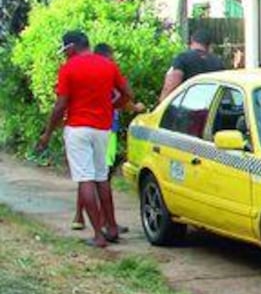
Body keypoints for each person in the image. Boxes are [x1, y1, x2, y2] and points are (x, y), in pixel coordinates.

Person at [37, 31, 140, 248]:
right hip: (102, 129)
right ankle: (111, 227)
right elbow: (128, 93)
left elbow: (61, 104)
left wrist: (48, 132)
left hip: (77, 128)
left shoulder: (69, 68)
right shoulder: (107, 65)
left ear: (72, 47)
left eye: (66, 50)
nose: (65, 55)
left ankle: (98, 235)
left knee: (85, 178)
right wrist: (113, 106)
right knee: (101, 178)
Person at [158, 27, 226, 103]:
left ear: (192, 41)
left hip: (188, 109)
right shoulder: (218, 62)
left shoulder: (182, 58)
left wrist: (161, 106)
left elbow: (170, 86)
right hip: (210, 109)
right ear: (209, 45)